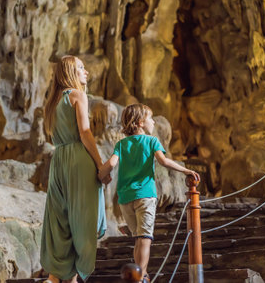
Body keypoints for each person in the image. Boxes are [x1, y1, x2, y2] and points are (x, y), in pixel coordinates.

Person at [98, 104, 200, 282]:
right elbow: (163, 161)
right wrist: (185, 171)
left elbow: (112, 164)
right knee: (145, 237)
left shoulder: (121, 144)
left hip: (125, 198)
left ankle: (138, 274)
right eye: (150, 118)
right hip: (145, 195)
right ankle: (141, 276)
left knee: (138, 237)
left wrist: (100, 175)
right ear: (140, 123)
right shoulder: (152, 141)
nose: (153, 121)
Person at [41, 55, 109, 283]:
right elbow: (85, 133)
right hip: (79, 160)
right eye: (81, 68)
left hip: (59, 160)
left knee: (60, 219)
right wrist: (100, 164)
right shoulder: (78, 95)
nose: (86, 72)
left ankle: (54, 277)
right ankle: (74, 277)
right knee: (82, 220)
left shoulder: (51, 102)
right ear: (71, 72)